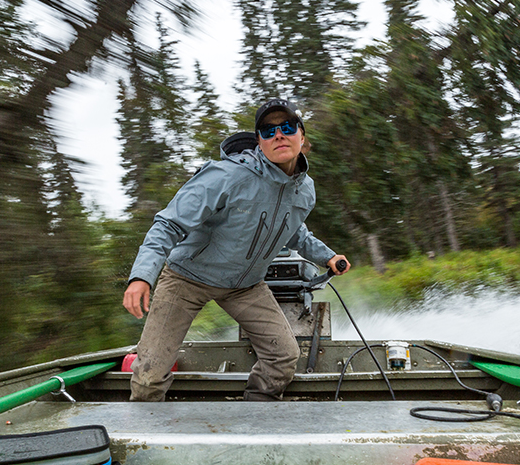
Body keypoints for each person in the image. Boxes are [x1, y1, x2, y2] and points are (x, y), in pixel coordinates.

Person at [123, 97, 350, 401]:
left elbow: (294, 232)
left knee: (284, 357)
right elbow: (168, 223)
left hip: (245, 286)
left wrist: (328, 256)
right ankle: (148, 427)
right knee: (149, 374)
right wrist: (142, 276)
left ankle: (254, 415)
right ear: (259, 141)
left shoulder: (305, 190)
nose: (278, 135)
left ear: (301, 135)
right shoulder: (226, 175)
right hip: (187, 278)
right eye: (268, 131)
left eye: (287, 127)